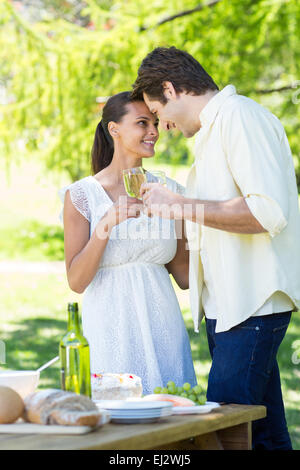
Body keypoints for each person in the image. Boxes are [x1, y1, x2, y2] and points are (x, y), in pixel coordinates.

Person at [132, 46, 300, 449]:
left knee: (223, 434)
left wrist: (181, 206)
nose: (162, 126)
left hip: (252, 307)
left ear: (171, 89)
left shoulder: (240, 117)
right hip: (231, 311)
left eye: (158, 112)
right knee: (262, 435)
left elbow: (267, 212)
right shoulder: (213, 132)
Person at [58, 91, 197, 395]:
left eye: (156, 123)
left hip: (165, 331)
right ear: (114, 129)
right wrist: (106, 224)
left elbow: (186, 276)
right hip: (111, 332)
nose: (153, 132)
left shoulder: (170, 190)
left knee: (174, 427)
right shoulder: (82, 196)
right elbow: (77, 281)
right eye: (142, 123)